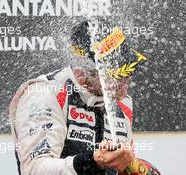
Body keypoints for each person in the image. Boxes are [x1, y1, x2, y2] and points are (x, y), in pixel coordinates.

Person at [9, 20, 161, 175]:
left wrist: (130, 167)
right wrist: (92, 161)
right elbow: (35, 170)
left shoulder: (123, 103)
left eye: (129, 72)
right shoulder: (43, 93)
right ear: (81, 72)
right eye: (117, 76)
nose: (126, 82)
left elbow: (118, 168)